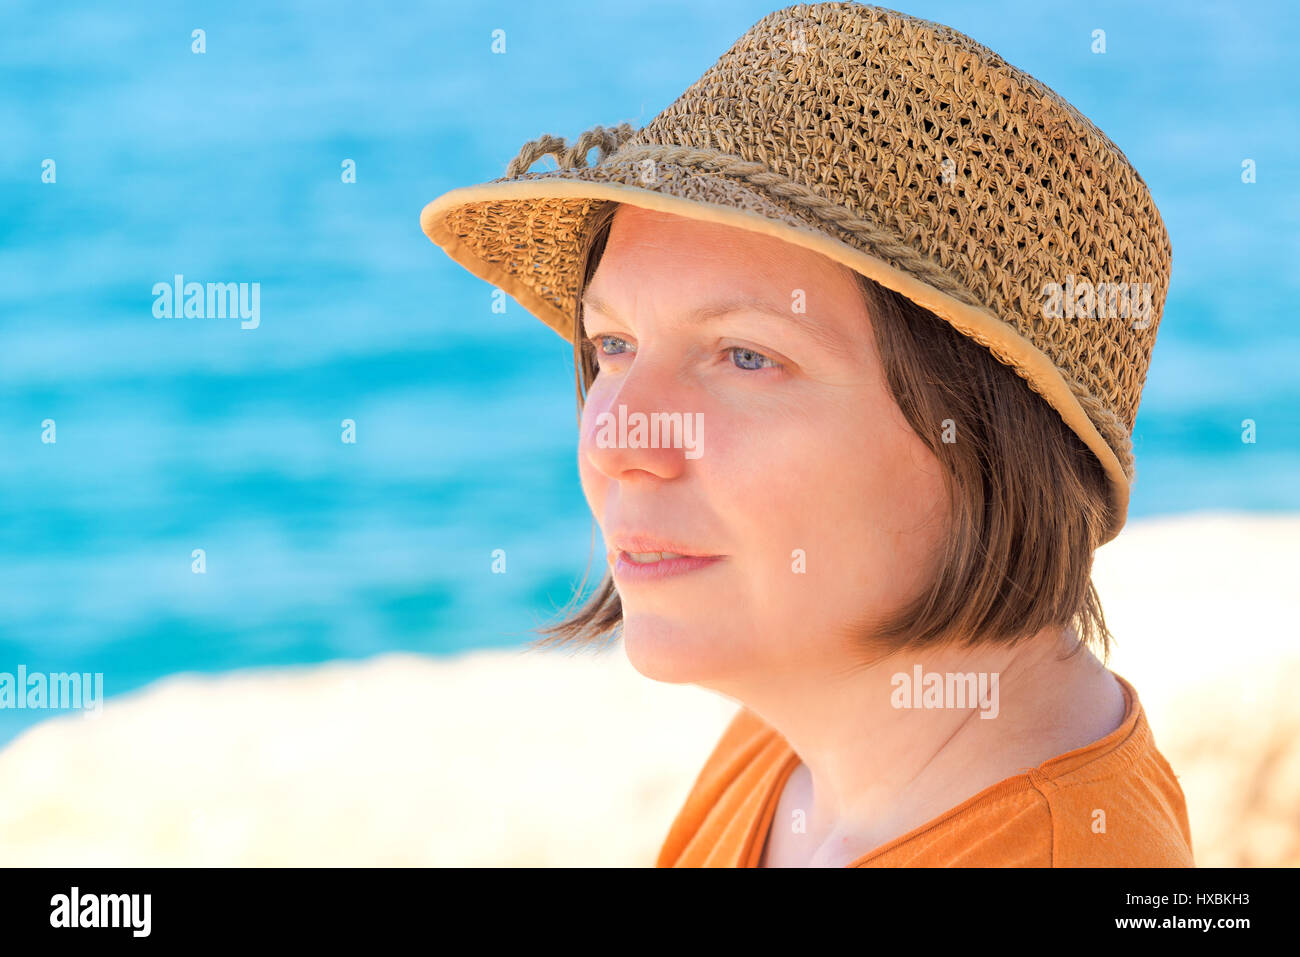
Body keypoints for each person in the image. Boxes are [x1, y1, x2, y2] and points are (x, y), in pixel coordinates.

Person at [419, 2, 1193, 866]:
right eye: (613, 344)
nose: (617, 437)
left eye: (747, 355)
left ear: (985, 437)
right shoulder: (795, 742)